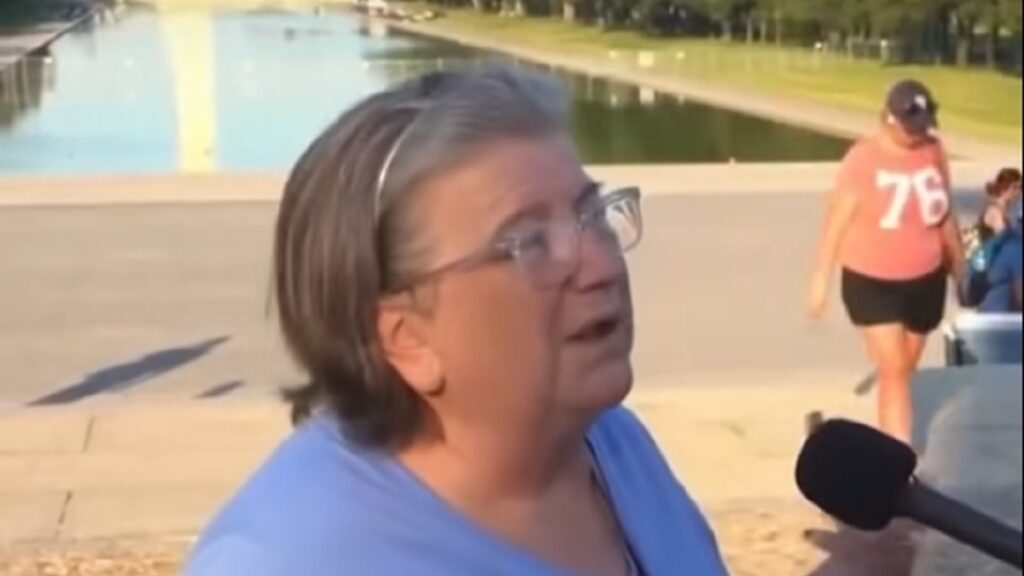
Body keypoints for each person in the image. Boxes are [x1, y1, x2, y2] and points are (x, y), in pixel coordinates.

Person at [185, 66, 728, 576]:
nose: (603, 266)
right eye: (530, 243)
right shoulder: (290, 560)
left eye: (592, 214)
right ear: (407, 340)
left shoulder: (613, 443)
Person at [808, 79, 966, 446]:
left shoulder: (933, 151)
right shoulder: (863, 158)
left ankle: (887, 433)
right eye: (912, 127)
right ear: (890, 119)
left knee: (903, 370)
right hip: (872, 280)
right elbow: (837, 220)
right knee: (894, 369)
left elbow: (944, 213)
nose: (918, 134)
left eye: (924, 125)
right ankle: (898, 453)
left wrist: (959, 267)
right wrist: (821, 279)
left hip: (925, 279)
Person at [974, 197, 1023, 314]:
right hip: (1006, 320)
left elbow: (967, 294)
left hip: (985, 316)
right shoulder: (1016, 250)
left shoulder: (982, 251)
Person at [963, 167, 1022, 257]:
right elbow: (1004, 240)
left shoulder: (1004, 209)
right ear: (1004, 187)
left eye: (1020, 188)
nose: (1019, 192)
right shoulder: (994, 211)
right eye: (1016, 187)